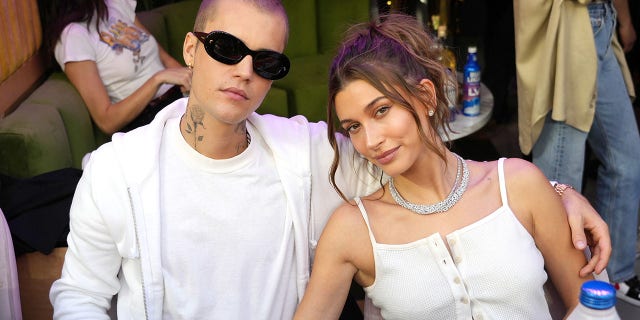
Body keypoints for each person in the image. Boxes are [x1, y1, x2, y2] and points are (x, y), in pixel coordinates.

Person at [49, 0, 610, 318]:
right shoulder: (116, 173)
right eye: (226, 49)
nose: (244, 70)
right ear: (191, 51)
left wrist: (555, 194)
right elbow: (79, 296)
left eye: (266, 62)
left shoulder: (307, 155)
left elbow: (418, 165)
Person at [293, 13, 594, 319]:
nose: (370, 140)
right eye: (354, 127)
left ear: (425, 96)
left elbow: (589, 306)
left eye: (382, 110)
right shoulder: (352, 229)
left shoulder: (518, 185)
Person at [514, 0, 640, 305]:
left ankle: (616, 271)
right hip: (564, 23)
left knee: (625, 158)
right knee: (559, 183)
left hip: (602, 19)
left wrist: (622, 17)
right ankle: (561, 293)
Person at [42, 0, 193, 135]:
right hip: (148, 120)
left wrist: (193, 88)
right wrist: (157, 79)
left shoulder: (115, 4)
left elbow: (166, 59)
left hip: (178, 99)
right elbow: (106, 121)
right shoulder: (73, 36)